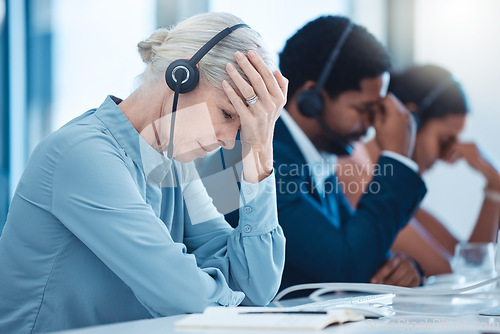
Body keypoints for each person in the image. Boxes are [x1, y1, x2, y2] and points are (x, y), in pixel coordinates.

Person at [0, 12, 287, 333]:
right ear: (181, 76)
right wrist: (223, 289)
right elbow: (186, 298)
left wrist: (259, 149)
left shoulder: (173, 166)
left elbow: (257, 287)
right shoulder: (82, 154)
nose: (229, 140)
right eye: (226, 113)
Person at [197, 16, 427, 291]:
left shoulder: (312, 157)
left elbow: (360, 250)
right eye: (365, 111)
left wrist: (404, 269)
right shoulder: (255, 156)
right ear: (311, 98)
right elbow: (346, 263)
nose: (370, 129)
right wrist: (397, 160)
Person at [337, 65, 500, 277]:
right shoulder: (353, 169)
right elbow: (445, 272)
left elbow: (469, 263)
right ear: (410, 120)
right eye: (444, 142)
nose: (449, 158)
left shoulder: (381, 178)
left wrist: (494, 187)